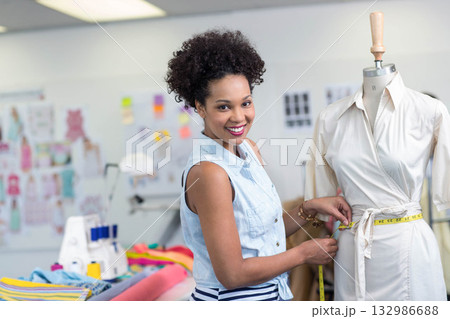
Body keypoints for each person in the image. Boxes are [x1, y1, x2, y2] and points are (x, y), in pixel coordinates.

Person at [166, 29, 352, 301]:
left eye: (246, 103)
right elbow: (233, 274)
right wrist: (302, 254)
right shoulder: (209, 173)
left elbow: (264, 235)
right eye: (223, 107)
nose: (239, 116)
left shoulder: (248, 150)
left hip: (272, 296)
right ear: (200, 107)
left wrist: (307, 208)